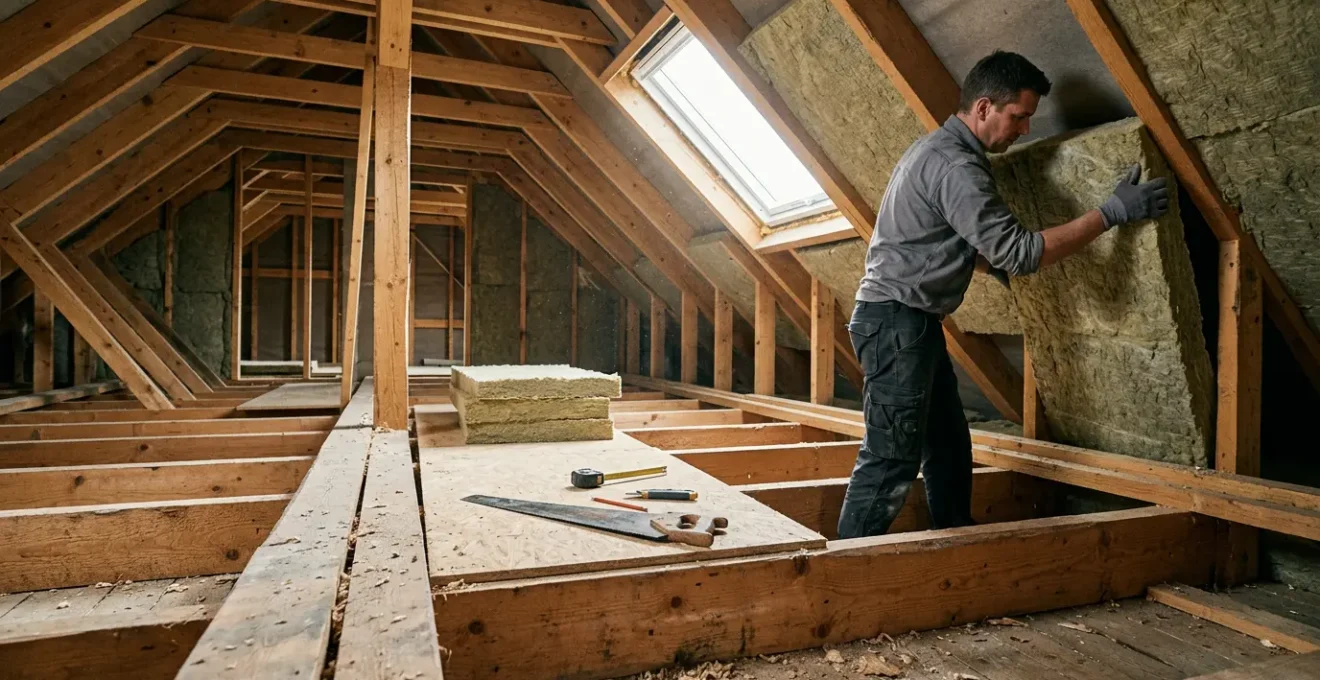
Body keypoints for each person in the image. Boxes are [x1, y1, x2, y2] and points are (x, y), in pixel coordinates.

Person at [837, 50, 1169, 539]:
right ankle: (845, 566)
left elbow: (944, 240)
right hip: (897, 324)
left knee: (948, 445)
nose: (1025, 129)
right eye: (1019, 116)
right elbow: (1020, 252)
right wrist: (1111, 213)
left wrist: (991, 265)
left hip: (907, 323)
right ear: (984, 107)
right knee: (890, 459)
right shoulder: (957, 167)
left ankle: (957, 538)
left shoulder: (932, 150)